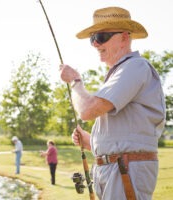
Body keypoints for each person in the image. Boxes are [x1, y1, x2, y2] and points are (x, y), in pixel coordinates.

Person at [59, 7, 166, 200]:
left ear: (125, 37)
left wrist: (75, 82)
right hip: (116, 168)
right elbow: (125, 140)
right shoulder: (120, 73)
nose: (95, 44)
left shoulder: (135, 66)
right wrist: (90, 141)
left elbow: (87, 110)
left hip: (124, 169)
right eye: (93, 38)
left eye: (102, 36)